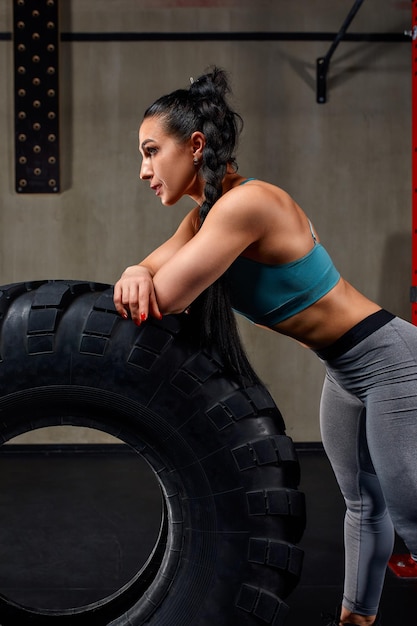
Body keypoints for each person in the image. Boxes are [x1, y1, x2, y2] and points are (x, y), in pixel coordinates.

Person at [113, 66, 417, 626]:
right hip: (345, 370)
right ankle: (356, 622)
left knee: (410, 516)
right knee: (361, 506)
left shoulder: (246, 206)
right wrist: (135, 266)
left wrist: (145, 276)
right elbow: (153, 267)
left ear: (196, 145)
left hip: (391, 361)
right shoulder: (206, 214)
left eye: (152, 151)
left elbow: (172, 294)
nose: (144, 170)